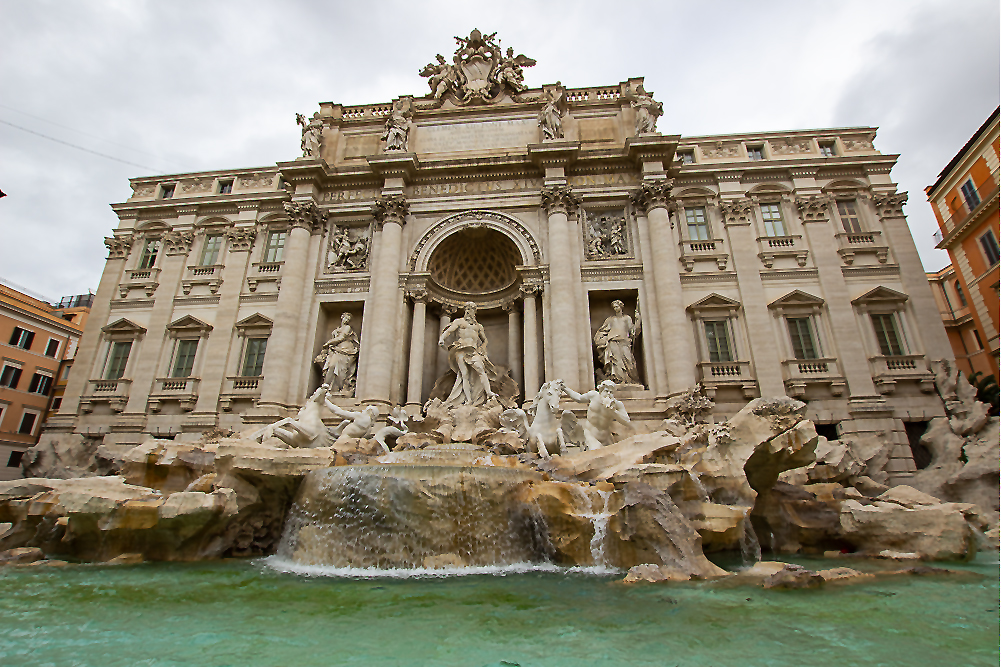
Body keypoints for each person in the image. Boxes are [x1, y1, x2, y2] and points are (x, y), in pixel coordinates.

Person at [438, 302, 498, 406]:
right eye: (468, 309)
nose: (470, 311)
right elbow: (449, 331)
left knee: (481, 370)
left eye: (472, 309)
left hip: (473, 351)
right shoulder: (459, 322)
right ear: (465, 310)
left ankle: (488, 392)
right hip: (461, 349)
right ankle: (469, 400)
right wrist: (442, 338)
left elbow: (485, 340)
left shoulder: (478, 326)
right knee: (464, 375)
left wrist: (482, 348)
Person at [562, 380, 630, 449]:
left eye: (611, 392)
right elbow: (578, 398)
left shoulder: (617, 404)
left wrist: (613, 411)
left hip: (606, 439)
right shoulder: (593, 396)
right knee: (596, 451)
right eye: (606, 391)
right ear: (601, 391)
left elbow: (627, 421)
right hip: (590, 435)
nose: (608, 394)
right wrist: (565, 388)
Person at [593, 300, 640, 385]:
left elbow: (633, 331)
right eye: (614, 307)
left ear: (621, 307)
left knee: (629, 362)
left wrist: (638, 320)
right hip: (613, 342)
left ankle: (629, 380)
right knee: (616, 362)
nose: (615, 308)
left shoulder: (627, 318)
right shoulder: (610, 320)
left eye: (617, 306)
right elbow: (601, 331)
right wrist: (601, 340)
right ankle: (618, 380)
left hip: (625, 342)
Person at [319, 313, 360, 394]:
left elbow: (341, 337)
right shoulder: (338, 329)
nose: (346, 320)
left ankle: (336, 388)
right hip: (336, 350)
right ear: (342, 318)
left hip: (346, 350)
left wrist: (328, 343)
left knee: (340, 369)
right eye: (345, 318)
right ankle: (326, 388)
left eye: (348, 319)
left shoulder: (347, 328)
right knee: (331, 366)